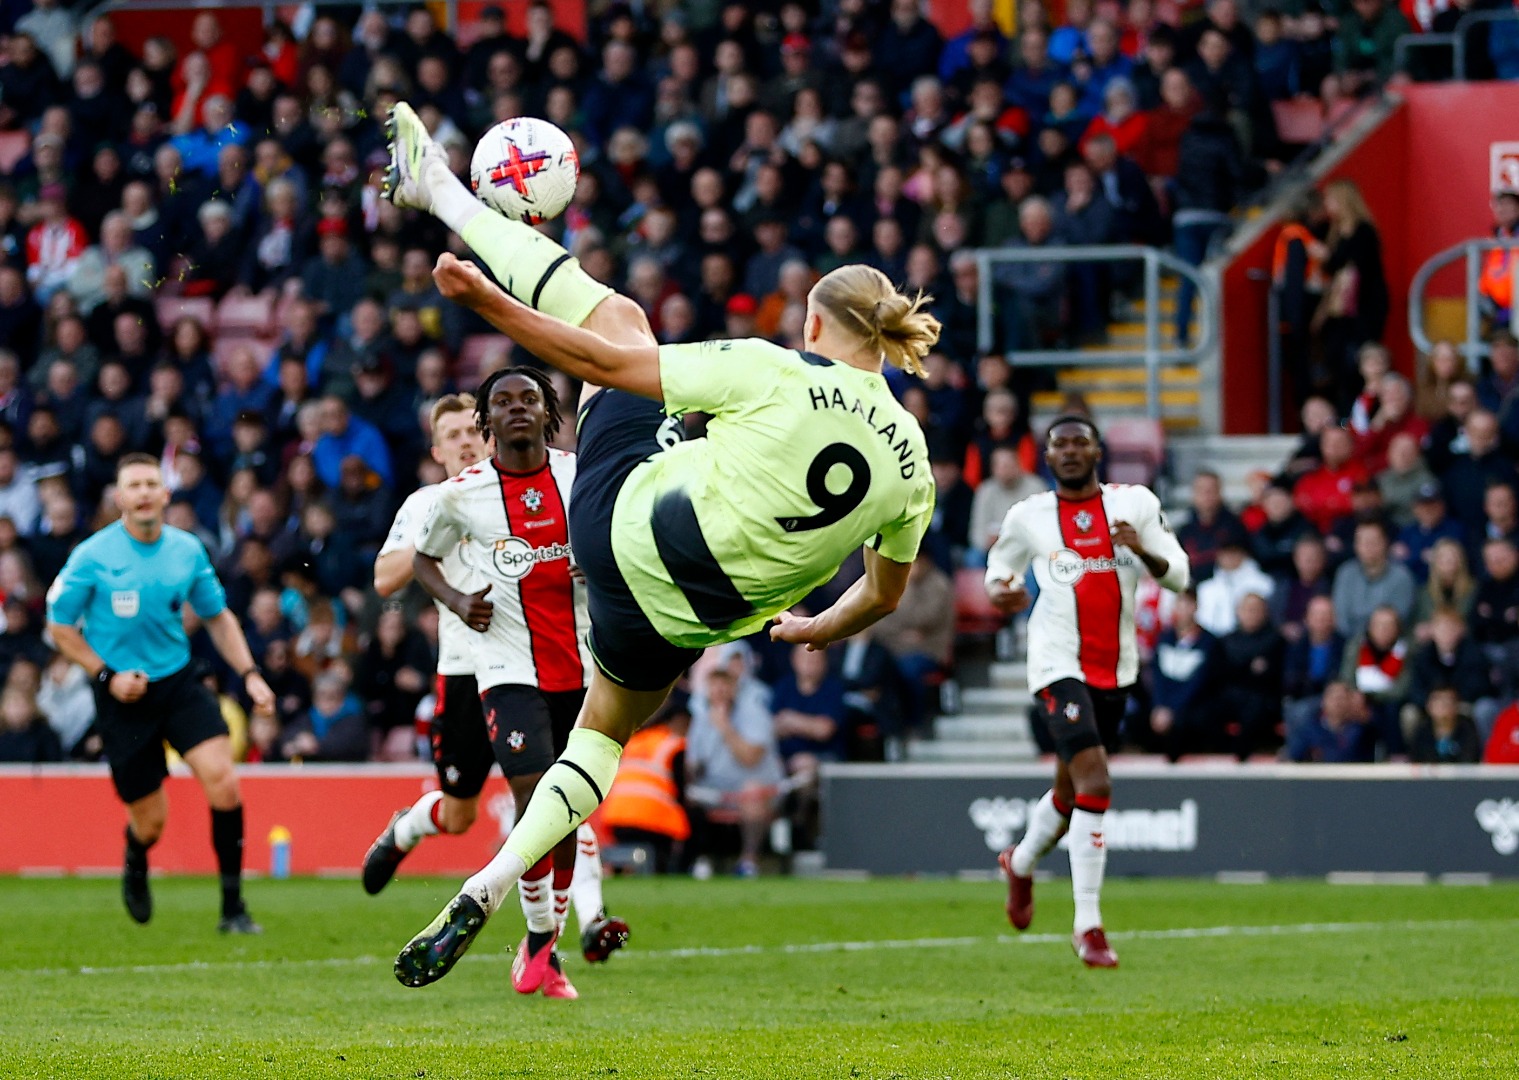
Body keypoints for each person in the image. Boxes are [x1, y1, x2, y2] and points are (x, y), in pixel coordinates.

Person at [381, 101, 937, 987]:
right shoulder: (914, 470)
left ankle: (441, 191)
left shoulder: (774, 367)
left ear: (814, 328)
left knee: (623, 321)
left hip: (614, 528)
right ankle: (491, 886)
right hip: (688, 621)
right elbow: (883, 596)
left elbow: (603, 367)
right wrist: (815, 630)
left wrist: (490, 303)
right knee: (601, 738)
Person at [360, 393, 628, 978]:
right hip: (460, 671)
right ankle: (406, 827)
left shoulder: (530, 487)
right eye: (448, 434)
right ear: (435, 450)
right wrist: (443, 524)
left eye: (467, 432)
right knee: (459, 815)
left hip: (525, 667)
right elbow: (384, 578)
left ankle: (574, 925)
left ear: (485, 437)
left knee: (554, 798)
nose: (461, 441)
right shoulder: (433, 502)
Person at [983, 416, 1190, 968]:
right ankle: (1088, 925)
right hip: (1055, 665)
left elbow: (1181, 577)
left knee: (1072, 792)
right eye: (1060, 444)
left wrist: (1141, 552)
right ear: (1046, 457)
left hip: (1116, 670)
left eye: (1081, 442)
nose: (1071, 451)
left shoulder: (1136, 505)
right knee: (1096, 782)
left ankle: (1020, 864)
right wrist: (999, 591)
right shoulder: (1029, 516)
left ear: (1099, 450)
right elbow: (998, 567)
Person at [44, 454, 275, 932]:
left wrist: (250, 672)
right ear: (120, 497)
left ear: (166, 494)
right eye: (135, 485)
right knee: (151, 822)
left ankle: (233, 908)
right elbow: (59, 626)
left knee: (223, 780)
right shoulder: (92, 555)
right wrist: (106, 674)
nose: (145, 492)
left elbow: (217, 616)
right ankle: (136, 855)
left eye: (153, 483)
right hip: (121, 694)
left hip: (177, 681)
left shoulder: (187, 550)